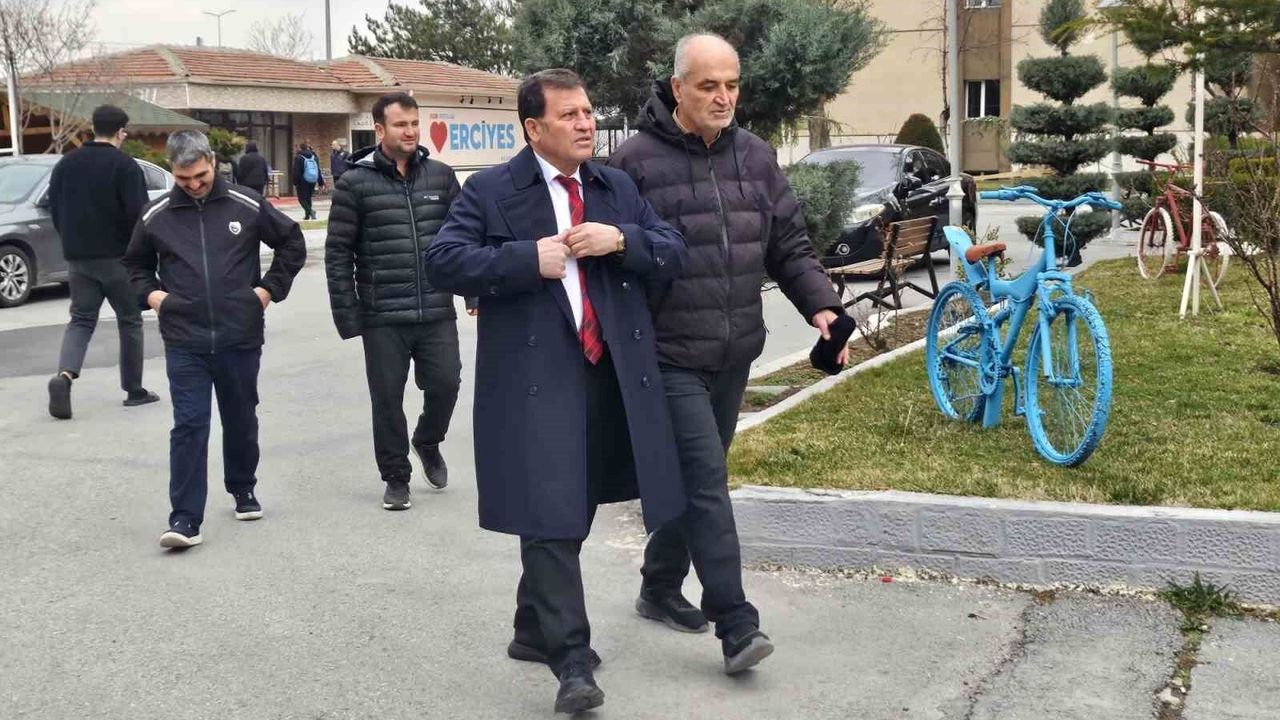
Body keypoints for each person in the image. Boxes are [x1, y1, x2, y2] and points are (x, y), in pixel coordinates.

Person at [424, 69, 688, 714]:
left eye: (588, 111)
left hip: (608, 371)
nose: (585, 123)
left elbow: (673, 249)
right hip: (535, 379)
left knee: (577, 499)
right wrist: (524, 259)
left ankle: (530, 626)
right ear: (534, 128)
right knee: (548, 506)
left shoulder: (614, 187)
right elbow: (443, 260)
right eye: (569, 115)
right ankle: (570, 657)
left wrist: (620, 239)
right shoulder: (490, 190)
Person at [607, 33, 847, 673]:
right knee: (707, 481)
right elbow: (615, 261)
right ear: (677, 87)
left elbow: (787, 244)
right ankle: (736, 623)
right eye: (709, 85)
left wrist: (822, 306)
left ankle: (659, 585)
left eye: (732, 85)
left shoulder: (755, 156)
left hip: (735, 349)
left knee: (695, 479)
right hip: (668, 354)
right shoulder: (633, 163)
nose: (723, 97)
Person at [123, 130, 306, 549]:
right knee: (189, 424)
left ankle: (242, 486)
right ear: (172, 171)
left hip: (239, 334)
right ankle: (185, 518)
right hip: (184, 338)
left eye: (200, 176)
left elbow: (291, 243)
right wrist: (153, 296)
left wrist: (267, 291)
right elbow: (134, 265)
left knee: (240, 417)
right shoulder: (156, 215)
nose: (193, 184)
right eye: (183, 178)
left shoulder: (246, 202)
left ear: (211, 161)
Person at [325, 92, 463, 510]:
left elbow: (464, 239)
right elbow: (337, 254)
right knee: (386, 399)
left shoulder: (441, 177)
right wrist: (348, 314)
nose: (411, 131)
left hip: (436, 308)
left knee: (446, 384)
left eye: (415, 123)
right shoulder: (354, 183)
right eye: (401, 124)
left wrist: (474, 290)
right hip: (382, 314)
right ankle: (396, 478)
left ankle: (428, 440)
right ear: (380, 130)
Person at [46, 104, 159, 419]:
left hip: (79, 259)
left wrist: (71, 242)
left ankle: (64, 376)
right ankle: (134, 390)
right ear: (121, 132)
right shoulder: (125, 166)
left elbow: (55, 208)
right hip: (119, 259)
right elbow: (140, 216)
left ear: (92, 129)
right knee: (130, 320)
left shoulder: (66, 164)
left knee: (81, 320)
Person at [292, 142, 325, 220]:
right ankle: (307, 215)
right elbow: (318, 170)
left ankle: (310, 211)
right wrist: (320, 182)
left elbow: (296, 171)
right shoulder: (314, 157)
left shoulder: (298, 157)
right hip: (312, 180)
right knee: (308, 198)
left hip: (302, 181)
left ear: (300, 148)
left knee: (301, 199)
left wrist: (295, 181)